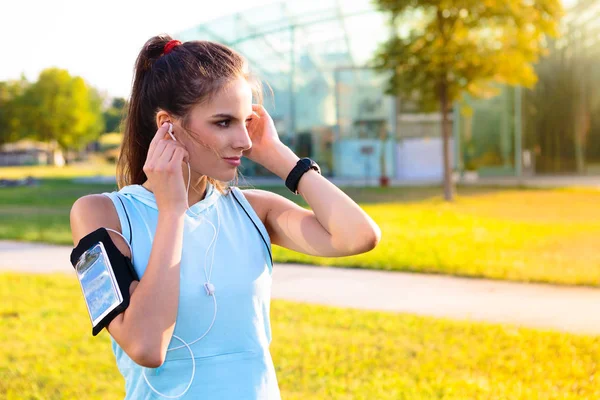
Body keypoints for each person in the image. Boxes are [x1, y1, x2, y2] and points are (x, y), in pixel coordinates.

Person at [70, 34, 381, 399]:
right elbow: (146, 346)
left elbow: (357, 236)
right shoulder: (101, 214)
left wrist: (281, 157)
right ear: (167, 125)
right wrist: (172, 212)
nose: (244, 141)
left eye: (245, 121)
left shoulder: (255, 211)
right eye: (223, 122)